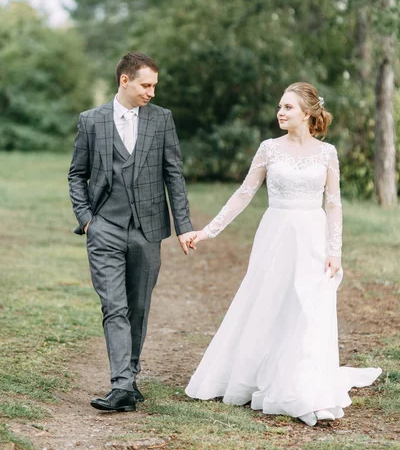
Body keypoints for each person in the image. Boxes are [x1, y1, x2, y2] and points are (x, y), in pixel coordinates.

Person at [185, 82, 381, 426]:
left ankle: (302, 382)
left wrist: (335, 251)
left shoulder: (327, 153)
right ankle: (261, 375)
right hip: (275, 235)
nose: (280, 112)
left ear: (307, 113)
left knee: (307, 308)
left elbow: (333, 206)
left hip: (312, 238)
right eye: (279, 106)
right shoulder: (268, 149)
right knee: (270, 304)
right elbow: (244, 194)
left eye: (288, 107)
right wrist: (208, 230)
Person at [68, 52, 195, 412]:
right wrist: (87, 219)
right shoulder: (91, 121)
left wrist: (183, 227)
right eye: (146, 84)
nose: (152, 92)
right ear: (125, 81)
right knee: (114, 306)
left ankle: (130, 377)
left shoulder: (161, 120)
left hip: (147, 229)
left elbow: (174, 175)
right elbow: (77, 174)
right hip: (103, 228)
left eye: (154, 85)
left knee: (138, 307)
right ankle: (121, 385)